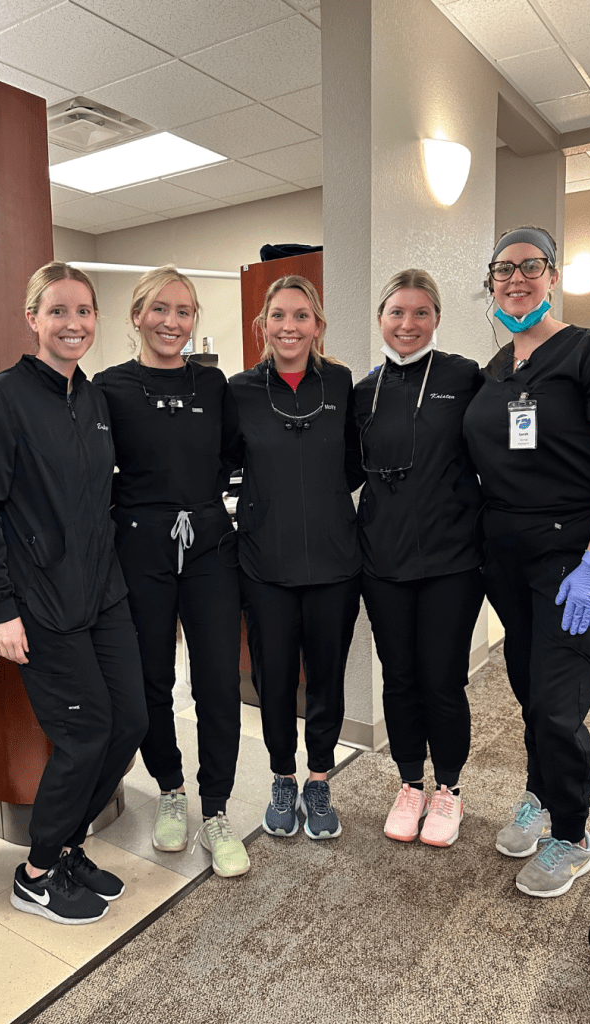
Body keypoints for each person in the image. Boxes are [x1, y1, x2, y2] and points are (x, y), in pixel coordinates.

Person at [0, 262, 148, 925]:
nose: (74, 323)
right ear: (32, 318)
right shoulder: (2, 397)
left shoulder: (92, 400)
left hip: (103, 595)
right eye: (59, 311)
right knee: (85, 731)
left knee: (130, 722)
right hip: (41, 604)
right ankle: (37, 872)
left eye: (85, 311)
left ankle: (68, 844)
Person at [463, 226, 590, 898]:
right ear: (490, 282)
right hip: (504, 553)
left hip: (572, 549)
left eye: (529, 267)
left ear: (553, 274)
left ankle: (571, 833)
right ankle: (538, 794)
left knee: (556, 702)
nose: (515, 280)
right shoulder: (492, 372)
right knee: (526, 686)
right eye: (502, 270)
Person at [92, 266, 249, 879]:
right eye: (159, 309)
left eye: (184, 312)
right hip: (139, 546)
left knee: (216, 681)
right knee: (152, 677)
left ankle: (215, 809)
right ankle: (172, 791)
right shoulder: (109, 387)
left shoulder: (213, 385)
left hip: (209, 545)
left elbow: (232, 455)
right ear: (136, 316)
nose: (171, 322)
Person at [229, 275, 363, 840]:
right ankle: (282, 776)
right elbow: (227, 463)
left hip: (335, 560)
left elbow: (354, 462)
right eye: (279, 316)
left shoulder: (340, 381)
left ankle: (319, 778)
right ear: (264, 325)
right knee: (274, 679)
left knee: (327, 678)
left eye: (301, 316)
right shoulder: (238, 390)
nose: (290, 327)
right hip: (265, 563)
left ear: (318, 325)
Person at [355, 269, 484, 848]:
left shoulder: (465, 377)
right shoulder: (365, 391)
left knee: (442, 680)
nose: (408, 324)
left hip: (451, 562)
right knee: (400, 679)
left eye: (420, 313)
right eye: (397, 313)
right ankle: (410, 783)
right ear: (381, 318)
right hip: (382, 562)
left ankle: (449, 789)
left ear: (436, 318)